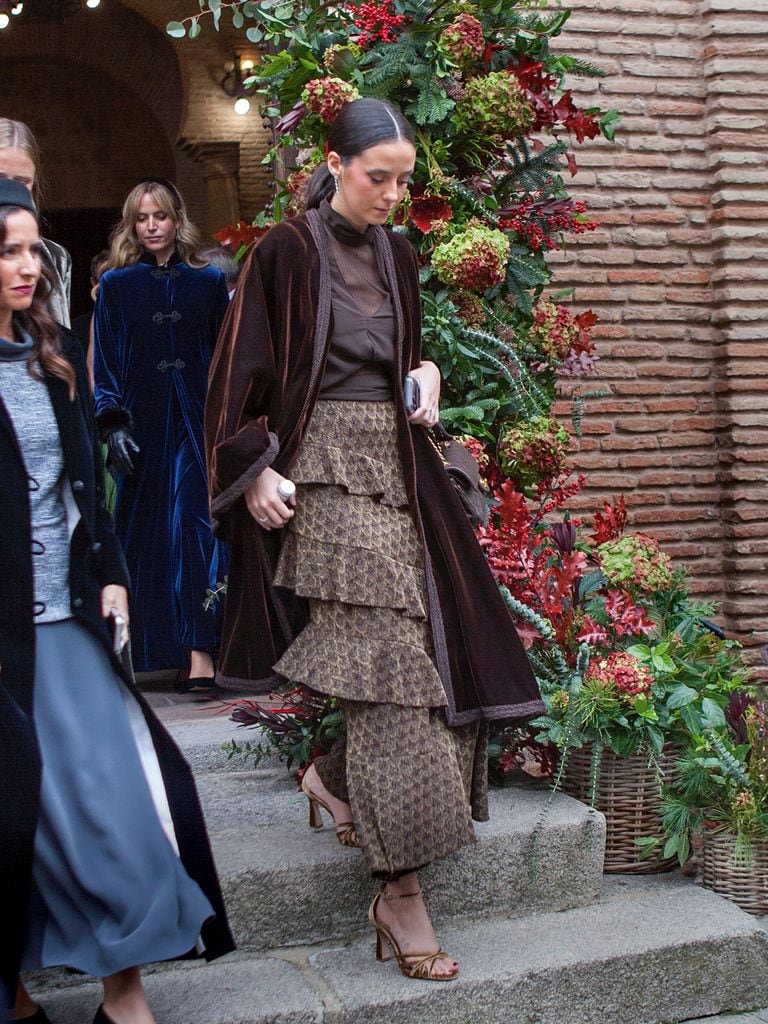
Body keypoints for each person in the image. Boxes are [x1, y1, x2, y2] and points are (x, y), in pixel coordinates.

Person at [205, 98, 544, 982]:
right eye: (376, 177)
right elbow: (235, 374)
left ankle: (334, 777)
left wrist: (426, 376)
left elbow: (408, 359)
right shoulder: (283, 251)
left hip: (401, 475)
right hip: (323, 480)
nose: (393, 195)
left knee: (441, 667)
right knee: (394, 679)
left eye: (403, 180)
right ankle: (400, 893)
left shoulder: (396, 254)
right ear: (334, 163)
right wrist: (252, 468)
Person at [0, 179, 233, 1024]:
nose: (28, 266)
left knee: (118, 808)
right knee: (19, 817)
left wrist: (107, 571)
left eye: (33, 248)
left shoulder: (52, 352)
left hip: (64, 620)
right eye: (7, 251)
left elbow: (83, 492)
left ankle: (123, 1000)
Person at [93, 179, 229, 688]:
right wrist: (112, 424)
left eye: (161, 216)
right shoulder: (116, 286)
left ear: (177, 219)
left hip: (197, 425)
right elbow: (105, 367)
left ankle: (200, 652)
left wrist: (227, 421)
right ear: (132, 224)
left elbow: (225, 358)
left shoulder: (207, 282)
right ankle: (152, 652)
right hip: (142, 430)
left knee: (195, 526)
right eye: (142, 218)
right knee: (147, 538)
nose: (152, 226)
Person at [0, 118, 72, 327]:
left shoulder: (55, 258)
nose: (11, 190)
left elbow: (60, 335)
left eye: (21, 182)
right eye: (1, 179)